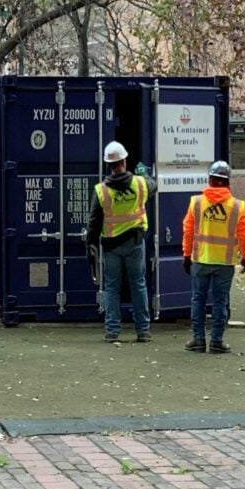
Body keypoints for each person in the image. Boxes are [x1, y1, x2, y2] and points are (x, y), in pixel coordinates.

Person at [86, 141, 156, 343]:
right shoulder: (140, 184)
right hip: (135, 244)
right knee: (139, 285)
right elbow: (154, 185)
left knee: (111, 287)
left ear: (108, 165)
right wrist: (144, 173)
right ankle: (143, 331)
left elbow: (94, 221)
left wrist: (90, 244)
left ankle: (112, 331)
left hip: (111, 246)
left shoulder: (101, 191)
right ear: (124, 161)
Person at [181, 160, 245, 354]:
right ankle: (217, 341)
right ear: (228, 182)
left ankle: (198, 339)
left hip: (201, 260)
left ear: (209, 179)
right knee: (220, 302)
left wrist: (186, 255)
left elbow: (187, 231)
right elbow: (244, 235)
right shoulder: (238, 206)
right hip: (225, 262)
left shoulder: (196, 203)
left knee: (198, 300)